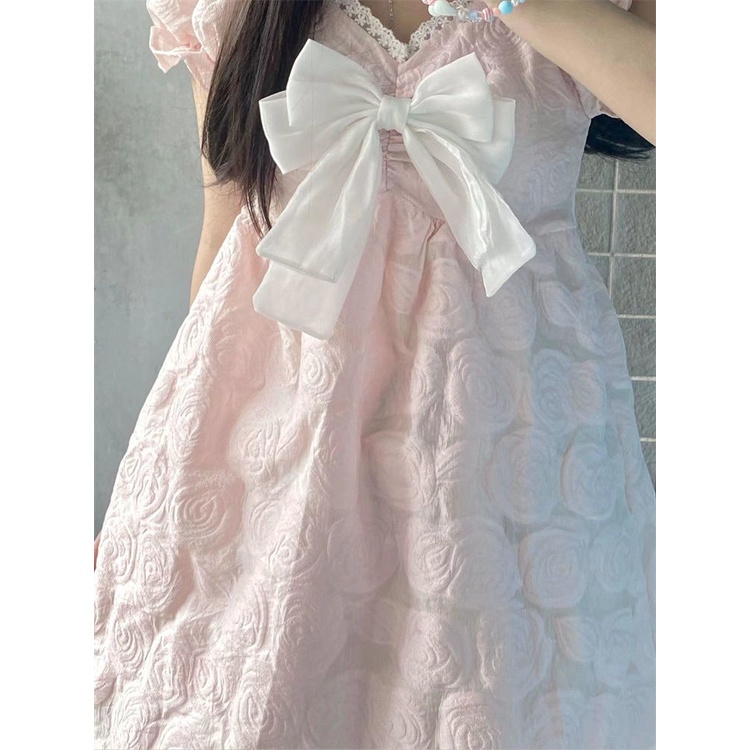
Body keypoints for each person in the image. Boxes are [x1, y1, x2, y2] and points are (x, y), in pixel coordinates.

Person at [94, 0, 656, 747]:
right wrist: (168, 475)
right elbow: (226, 230)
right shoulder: (232, 12)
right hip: (274, 472)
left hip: (505, 470)